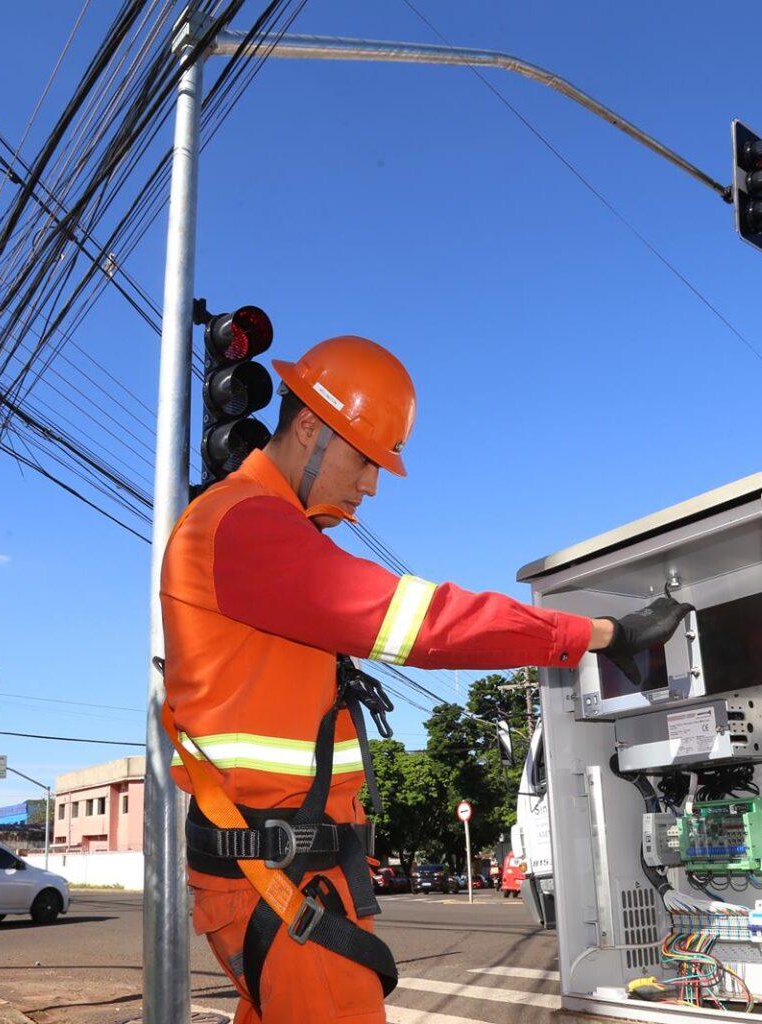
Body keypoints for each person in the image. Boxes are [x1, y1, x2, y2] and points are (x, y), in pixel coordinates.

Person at [161, 335, 690, 1023]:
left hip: (276, 870)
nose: (372, 483)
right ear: (311, 428)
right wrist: (596, 634)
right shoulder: (246, 525)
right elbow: (428, 623)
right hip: (283, 873)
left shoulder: (245, 526)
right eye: (365, 458)